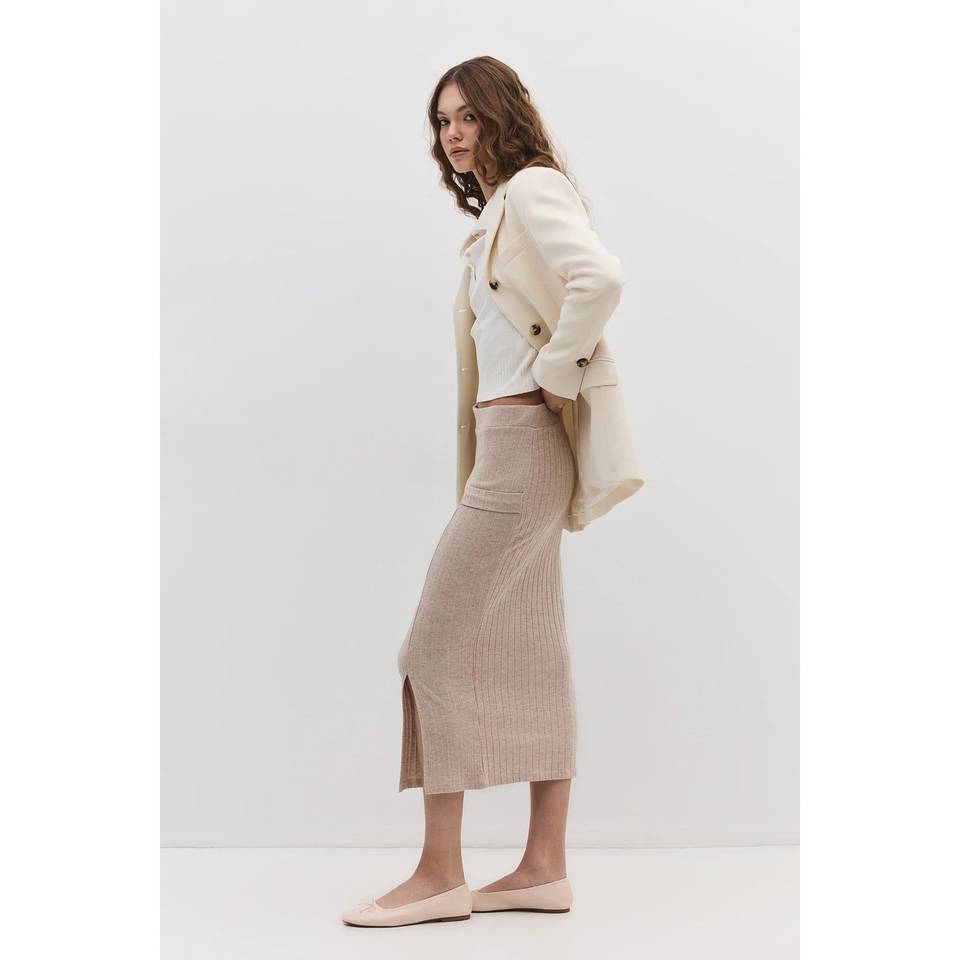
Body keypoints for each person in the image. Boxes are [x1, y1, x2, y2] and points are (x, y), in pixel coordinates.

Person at [342, 56, 644, 928]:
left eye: (468, 116)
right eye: (443, 121)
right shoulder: (497, 216)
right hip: (511, 451)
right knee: (534, 648)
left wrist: (557, 369)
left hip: (524, 451)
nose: (454, 134)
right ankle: (544, 867)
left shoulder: (534, 190)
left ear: (503, 115)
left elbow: (601, 278)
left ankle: (440, 875)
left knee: (432, 649)